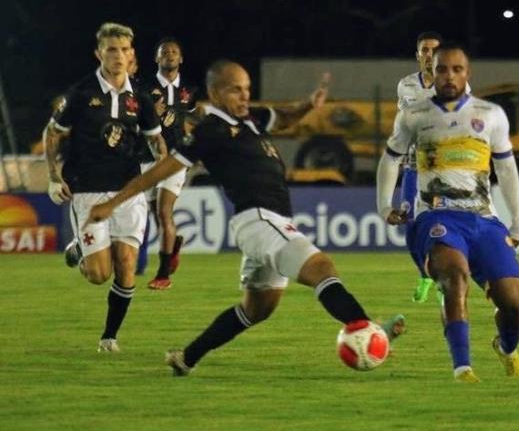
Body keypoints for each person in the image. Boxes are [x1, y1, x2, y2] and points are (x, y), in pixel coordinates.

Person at [86, 60, 406, 376]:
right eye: (235, 90)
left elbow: (284, 118)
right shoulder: (211, 129)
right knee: (321, 268)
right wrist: (113, 203)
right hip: (259, 219)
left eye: (247, 89)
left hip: (268, 223)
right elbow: (163, 169)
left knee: (258, 309)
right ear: (214, 92)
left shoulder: (252, 119)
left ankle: (187, 357)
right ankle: (370, 330)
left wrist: (310, 103)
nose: (244, 96)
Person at [377, 43, 519, 383]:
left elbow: (505, 170)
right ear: (433, 72)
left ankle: (505, 348)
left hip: (483, 218)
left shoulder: (490, 114)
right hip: (436, 215)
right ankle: (463, 368)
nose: (449, 76)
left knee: (513, 301)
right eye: (442, 69)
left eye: (456, 69)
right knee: (454, 279)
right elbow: (390, 158)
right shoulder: (414, 114)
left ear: (467, 74)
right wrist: (384, 205)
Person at [44, 22, 166, 353]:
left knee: (127, 264)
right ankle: (80, 252)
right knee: (99, 274)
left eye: (125, 49)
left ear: (132, 54)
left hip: (128, 190)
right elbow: (53, 133)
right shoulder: (81, 93)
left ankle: (109, 337)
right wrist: (54, 176)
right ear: (99, 53)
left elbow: (157, 143)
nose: (119, 56)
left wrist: (162, 173)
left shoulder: (140, 97)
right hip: (88, 190)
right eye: (112, 49)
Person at [139, 37, 199, 290]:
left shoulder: (190, 90)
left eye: (174, 52)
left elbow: (190, 121)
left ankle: (163, 275)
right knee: (156, 216)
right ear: (157, 59)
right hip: (147, 157)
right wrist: (153, 112)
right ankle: (172, 246)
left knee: (164, 212)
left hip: (175, 158)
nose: (170, 55)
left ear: (181, 58)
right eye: (165, 52)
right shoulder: (143, 87)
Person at [396, 31, 442, 303]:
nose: (429, 55)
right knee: (410, 226)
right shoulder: (406, 86)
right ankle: (424, 274)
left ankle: (443, 282)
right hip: (413, 166)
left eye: (434, 50)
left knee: (439, 224)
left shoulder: (454, 84)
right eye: (425, 50)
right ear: (417, 55)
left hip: (442, 169)